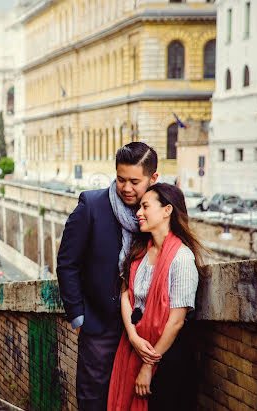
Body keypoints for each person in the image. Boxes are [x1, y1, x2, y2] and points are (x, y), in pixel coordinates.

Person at [57, 142, 158, 410]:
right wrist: (79, 316)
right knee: (93, 399)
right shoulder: (91, 205)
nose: (126, 188)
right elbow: (67, 263)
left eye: (135, 181)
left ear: (153, 178)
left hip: (145, 327)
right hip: (99, 324)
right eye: (121, 179)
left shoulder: (158, 212)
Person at [107, 183, 206, 411]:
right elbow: (126, 295)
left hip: (167, 357)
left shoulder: (181, 258)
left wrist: (148, 366)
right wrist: (133, 336)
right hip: (135, 345)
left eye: (145, 206)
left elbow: (176, 321)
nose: (138, 213)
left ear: (167, 211)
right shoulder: (140, 252)